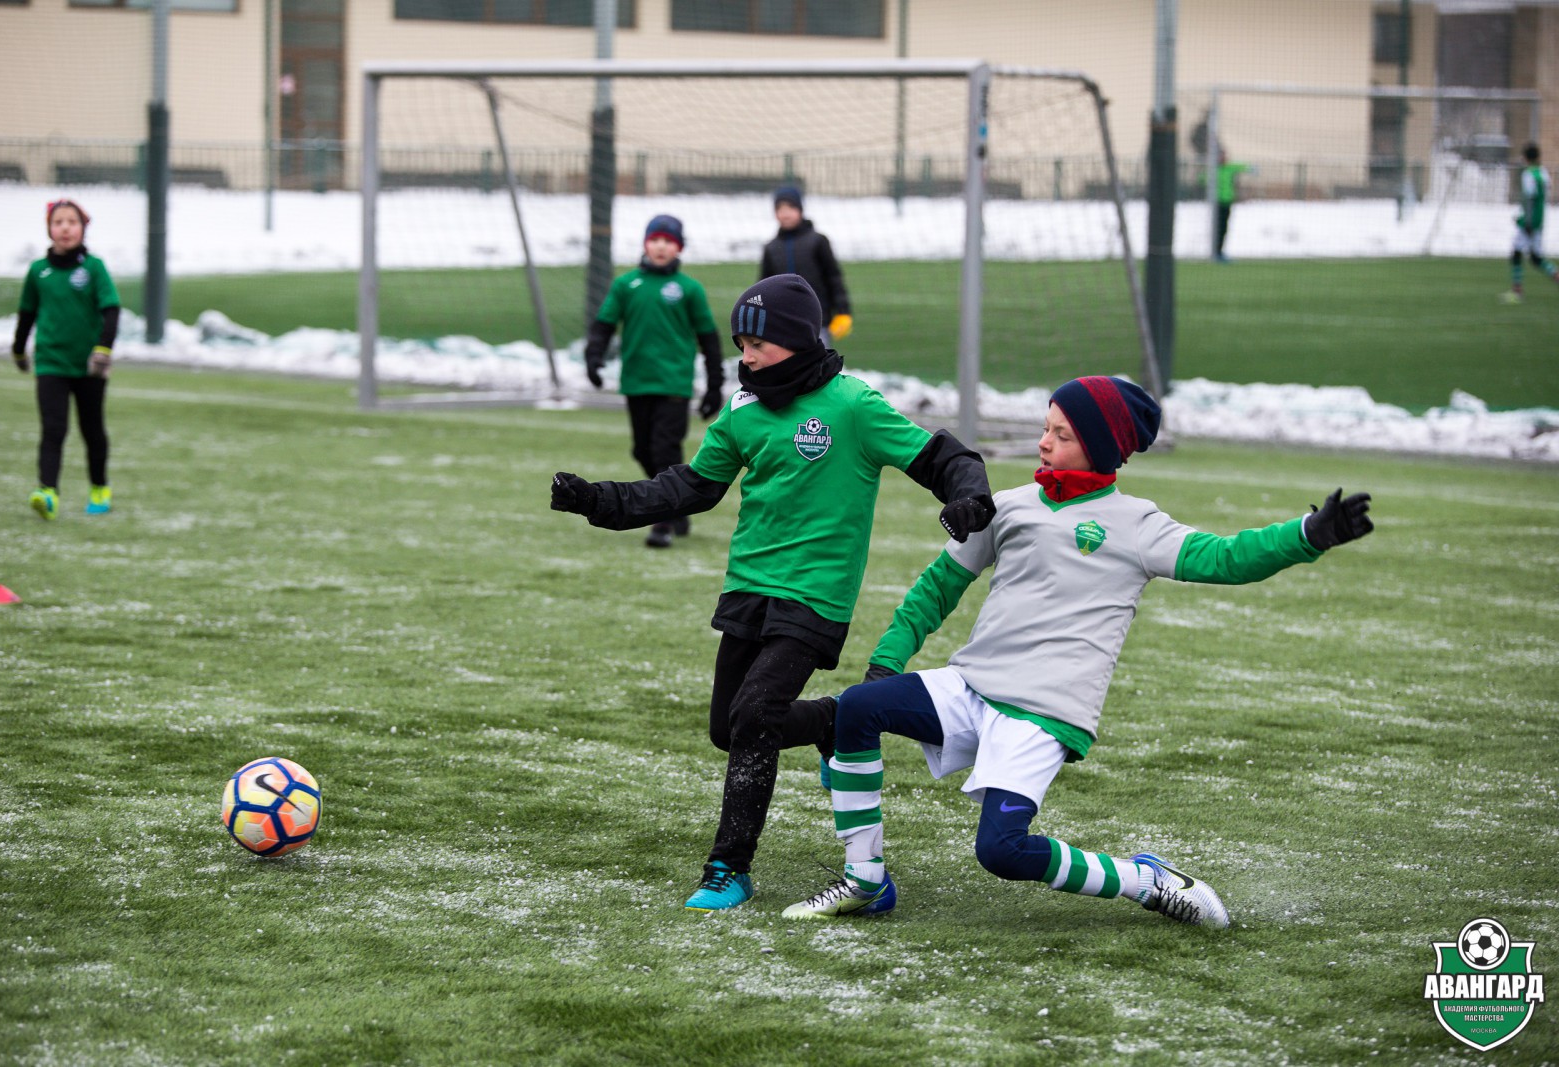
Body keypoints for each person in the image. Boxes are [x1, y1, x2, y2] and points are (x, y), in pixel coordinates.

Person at [785, 375, 1374, 929]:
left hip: (1042, 712)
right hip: (972, 687)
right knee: (860, 707)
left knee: (1002, 851)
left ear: (1099, 446)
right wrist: (889, 660)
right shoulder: (1009, 505)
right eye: (1046, 428)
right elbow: (937, 586)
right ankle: (866, 880)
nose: (1044, 442)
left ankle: (1144, 880)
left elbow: (1225, 558)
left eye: (1061, 435)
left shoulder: (1138, 524)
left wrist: (1306, 535)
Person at [551, 273, 995, 912]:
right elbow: (689, 488)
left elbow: (944, 456)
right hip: (748, 587)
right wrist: (600, 501)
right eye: (739, 343)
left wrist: (967, 496)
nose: (746, 356)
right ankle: (835, 721)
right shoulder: (742, 409)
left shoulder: (851, 405)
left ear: (795, 340)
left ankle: (727, 869)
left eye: (757, 343)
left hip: (815, 596)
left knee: (755, 715)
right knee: (727, 729)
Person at [584, 214, 725, 548]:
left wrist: (715, 383)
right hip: (637, 382)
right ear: (646, 243)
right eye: (656, 239)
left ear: (679, 248)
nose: (662, 246)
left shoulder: (689, 289)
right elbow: (604, 324)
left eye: (669, 241)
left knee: (665, 450)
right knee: (642, 450)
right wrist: (593, 357)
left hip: (674, 384)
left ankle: (661, 522)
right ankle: (677, 506)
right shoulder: (626, 285)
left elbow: (708, 336)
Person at [11, 198, 121, 520]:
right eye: (58, 222)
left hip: (89, 365)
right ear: (49, 229)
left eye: (71, 222)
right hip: (50, 363)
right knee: (53, 428)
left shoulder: (94, 268)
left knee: (92, 428)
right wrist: (19, 349)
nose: (65, 228)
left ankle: (99, 487)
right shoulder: (38, 272)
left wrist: (103, 349)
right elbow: (27, 314)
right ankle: (48, 492)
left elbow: (111, 310)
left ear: (83, 228)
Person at [759, 186, 852, 348]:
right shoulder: (771, 247)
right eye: (780, 209)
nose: (785, 213)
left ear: (800, 210)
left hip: (817, 321)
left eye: (790, 208)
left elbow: (834, 277)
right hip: (783, 323)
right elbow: (763, 285)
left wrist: (843, 311)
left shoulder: (818, 241)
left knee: (819, 367)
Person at [1502, 143, 1558, 304]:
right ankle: (1555, 276)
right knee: (1536, 258)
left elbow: (1530, 198)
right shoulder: (1543, 172)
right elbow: (1544, 194)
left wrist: (1525, 221)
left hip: (1530, 222)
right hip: (1540, 220)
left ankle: (1516, 292)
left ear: (1526, 157)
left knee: (1516, 253)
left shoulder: (1528, 174)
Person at [1213, 151, 1251, 263]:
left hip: (1227, 203)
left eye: (1224, 156)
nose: (1223, 158)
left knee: (1224, 228)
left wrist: (1251, 168)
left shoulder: (1229, 168)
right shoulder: (1214, 170)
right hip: (1217, 204)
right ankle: (1215, 252)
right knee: (1217, 229)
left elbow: (1243, 167)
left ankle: (1219, 252)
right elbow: (1202, 179)